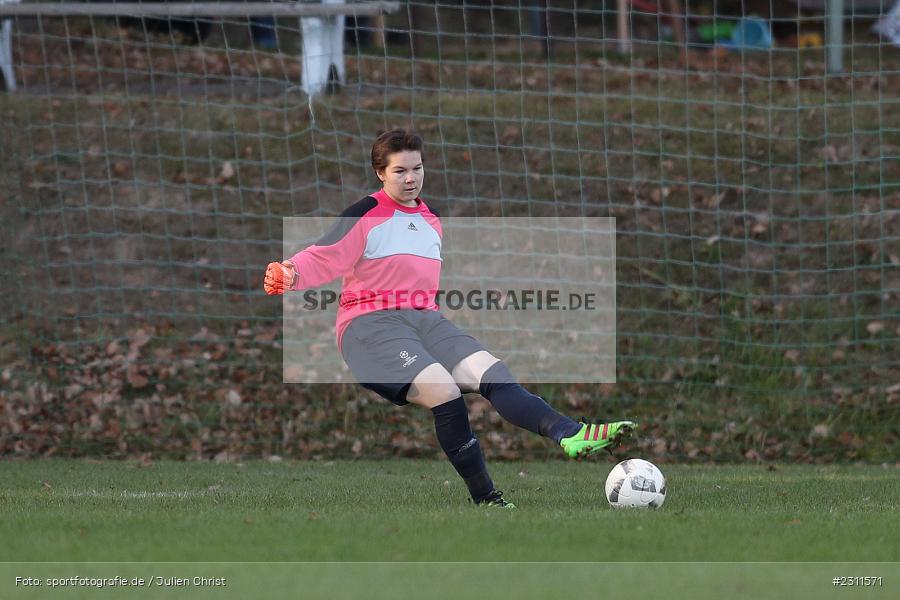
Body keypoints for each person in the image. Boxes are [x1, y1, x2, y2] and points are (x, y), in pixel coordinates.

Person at [264, 129, 635, 509]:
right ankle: (486, 498)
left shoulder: (431, 219)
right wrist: (291, 272)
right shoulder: (366, 213)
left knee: (493, 373)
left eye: (417, 168)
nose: (411, 178)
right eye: (400, 171)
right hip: (370, 326)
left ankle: (570, 433)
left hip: (424, 321)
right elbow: (325, 254)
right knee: (444, 390)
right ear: (380, 173)